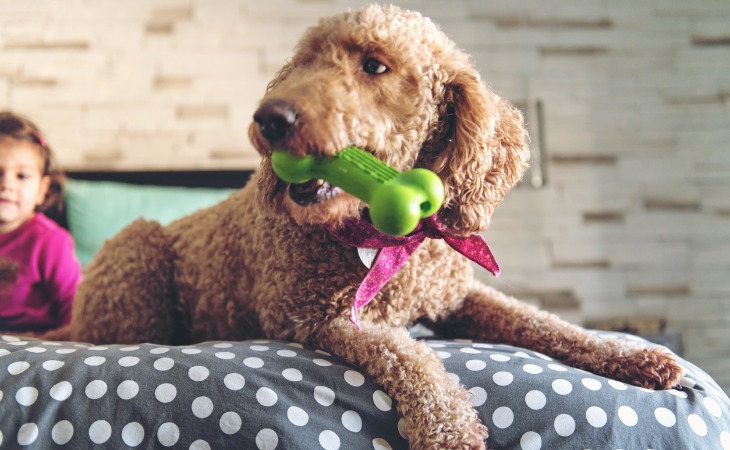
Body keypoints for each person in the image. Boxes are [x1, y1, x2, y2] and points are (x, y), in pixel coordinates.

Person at [0, 111, 82, 332]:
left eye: (22, 176)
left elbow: (75, 308)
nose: (7, 185)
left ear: (42, 190)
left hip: (37, 344)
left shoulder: (50, 242)